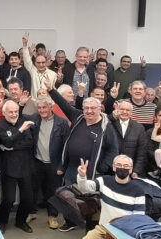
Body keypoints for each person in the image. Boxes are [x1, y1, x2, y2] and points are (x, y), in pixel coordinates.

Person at [45, 77, 119, 230]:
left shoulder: (106, 126)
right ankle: (71, 221)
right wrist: (51, 89)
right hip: (72, 168)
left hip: (92, 172)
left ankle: (91, 227)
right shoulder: (78, 116)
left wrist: (102, 168)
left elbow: (113, 149)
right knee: (67, 198)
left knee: (89, 201)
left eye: (93, 108)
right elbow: (63, 104)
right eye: (87, 108)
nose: (89, 111)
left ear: (100, 109)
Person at [76, 155, 156, 239]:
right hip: (104, 228)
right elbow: (85, 188)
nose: (122, 168)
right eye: (119, 165)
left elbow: (138, 218)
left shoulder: (138, 190)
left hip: (125, 231)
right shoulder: (104, 181)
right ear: (114, 167)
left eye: (126, 166)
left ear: (131, 169)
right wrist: (82, 176)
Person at [24, 96, 70, 229]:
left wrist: (62, 165)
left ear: (51, 107)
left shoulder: (61, 122)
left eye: (44, 107)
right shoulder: (33, 119)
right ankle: (31, 213)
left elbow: (66, 146)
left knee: (53, 191)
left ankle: (52, 216)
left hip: (54, 163)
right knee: (32, 190)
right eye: (39, 108)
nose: (42, 110)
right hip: (37, 161)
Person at [0, 101, 36, 233]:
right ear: (4, 112)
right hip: (8, 168)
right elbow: (6, 141)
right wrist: (20, 130)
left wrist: (11, 147)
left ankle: (20, 221)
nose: (14, 114)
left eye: (16, 111)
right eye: (11, 112)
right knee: (8, 200)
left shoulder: (23, 121)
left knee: (28, 199)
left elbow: (29, 142)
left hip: (26, 167)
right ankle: (2, 221)